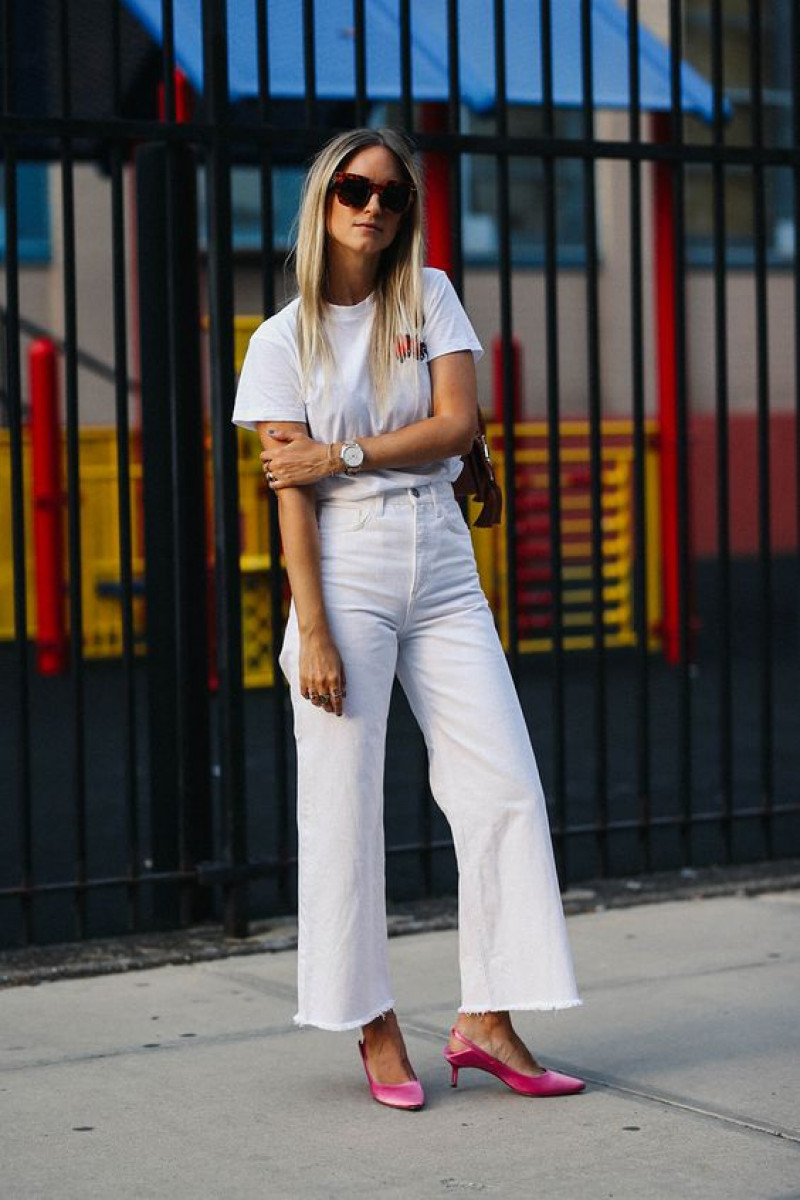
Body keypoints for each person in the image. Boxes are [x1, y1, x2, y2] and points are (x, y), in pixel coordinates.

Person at [231, 127, 584, 1112]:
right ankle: (370, 1020)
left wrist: (340, 454)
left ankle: (487, 1018)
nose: (373, 207)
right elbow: (286, 495)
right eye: (353, 189)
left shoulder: (425, 297)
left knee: (502, 785)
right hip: (339, 568)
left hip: (437, 554)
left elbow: (457, 425)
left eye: (390, 195)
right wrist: (312, 628)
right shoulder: (277, 342)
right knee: (342, 806)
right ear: (323, 201)